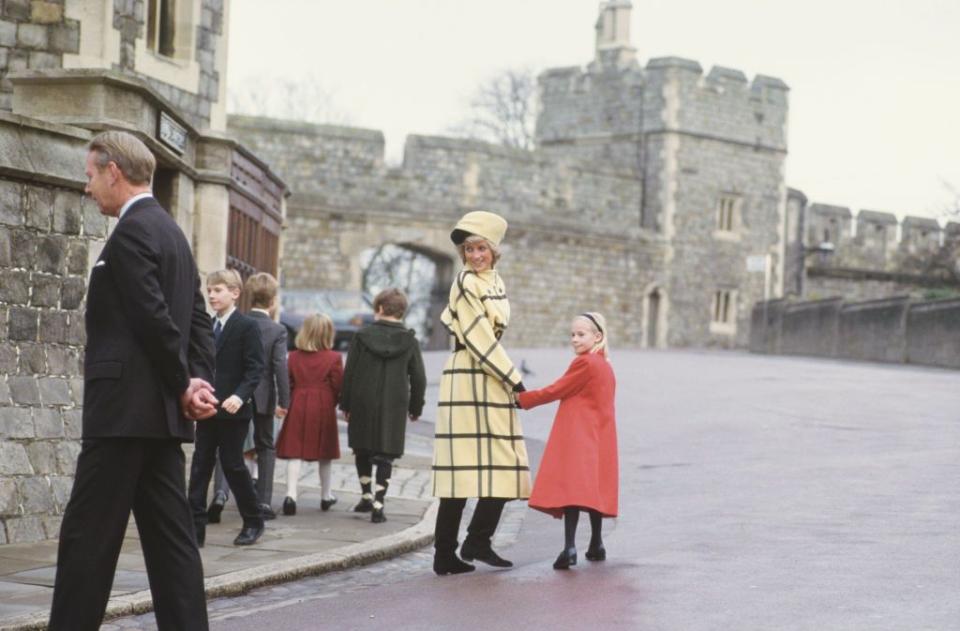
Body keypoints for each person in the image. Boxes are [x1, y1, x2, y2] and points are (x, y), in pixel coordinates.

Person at [49, 130, 218, 631]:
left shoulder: (130, 234)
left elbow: (154, 319)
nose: (87, 188)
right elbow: (197, 321)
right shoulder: (171, 231)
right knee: (173, 548)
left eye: (90, 176)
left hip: (122, 417)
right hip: (160, 422)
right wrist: (196, 380)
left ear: (112, 171)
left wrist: (186, 383)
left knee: (87, 541)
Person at [431, 210, 529, 576]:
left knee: (507, 463)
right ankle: (444, 552)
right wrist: (515, 378)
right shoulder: (465, 282)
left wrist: (505, 377)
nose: (474, 256)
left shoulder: (495, 280)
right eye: (469, 249)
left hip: (491, 378)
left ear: (494, 250)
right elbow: (477, 337)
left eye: (480, 248)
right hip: (468, 375)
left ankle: (478, 541)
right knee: (460, 470)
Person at [517, 312, 619, 570]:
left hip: (578, 433)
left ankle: (570, 547)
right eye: (572, 334)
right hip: (600, 436)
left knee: (571, 490)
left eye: (581, 334)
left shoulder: (584, 363)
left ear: (598, 336)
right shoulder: (606, 366)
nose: (574, 339)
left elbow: (556, 389)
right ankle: (596, 544)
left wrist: (523, 399)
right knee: (594, 490)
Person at [187, 269, 266, 547]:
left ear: (235, 293)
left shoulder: (246, 327)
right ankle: (195, 528)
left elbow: (255, 368)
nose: (211, 295)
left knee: (233, 465)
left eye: (218, 290)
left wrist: (240, 396)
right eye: (209, 290)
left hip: (234, 410)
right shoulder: (206, 325)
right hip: (208, 407)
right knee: (200, 465)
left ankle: (254, 520)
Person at [340, 288, 427, 524]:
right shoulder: (410, 341)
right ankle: (379, 504)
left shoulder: (361, 336)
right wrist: (416, 407)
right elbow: (418, 377)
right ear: (402, 312)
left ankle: (366, 496)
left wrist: (345, 403)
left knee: (362, 448)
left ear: (379, 309)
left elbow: (350, 372)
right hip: (394, 403)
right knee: (386, 454)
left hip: (363, 399)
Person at [276, 313, 343, 515]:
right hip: (323, 406)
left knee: (294, 451)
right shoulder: (334, 358)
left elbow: (287, 383)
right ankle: (325, 496)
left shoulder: (293, 357)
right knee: (325, 454)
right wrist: (333, 402)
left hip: (298, 402)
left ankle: (290, 495)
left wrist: (286, 403)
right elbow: (338, 385)